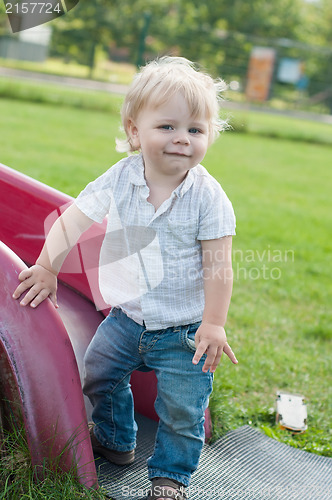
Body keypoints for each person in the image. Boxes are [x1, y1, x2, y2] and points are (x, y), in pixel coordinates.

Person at [13, 56, 238, 500]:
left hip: (184, 333)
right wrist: (46, 265)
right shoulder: (120, 178)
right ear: (135, 131)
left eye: (195, 130)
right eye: (167, 127)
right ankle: (118, 440)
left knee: (181, 410)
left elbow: (219, 265)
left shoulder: (209, 199)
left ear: (209, 135)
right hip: (124, 319)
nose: (181, 139)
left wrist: (213, 323)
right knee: (97, 374)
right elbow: (70, 221)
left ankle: (170, 479)